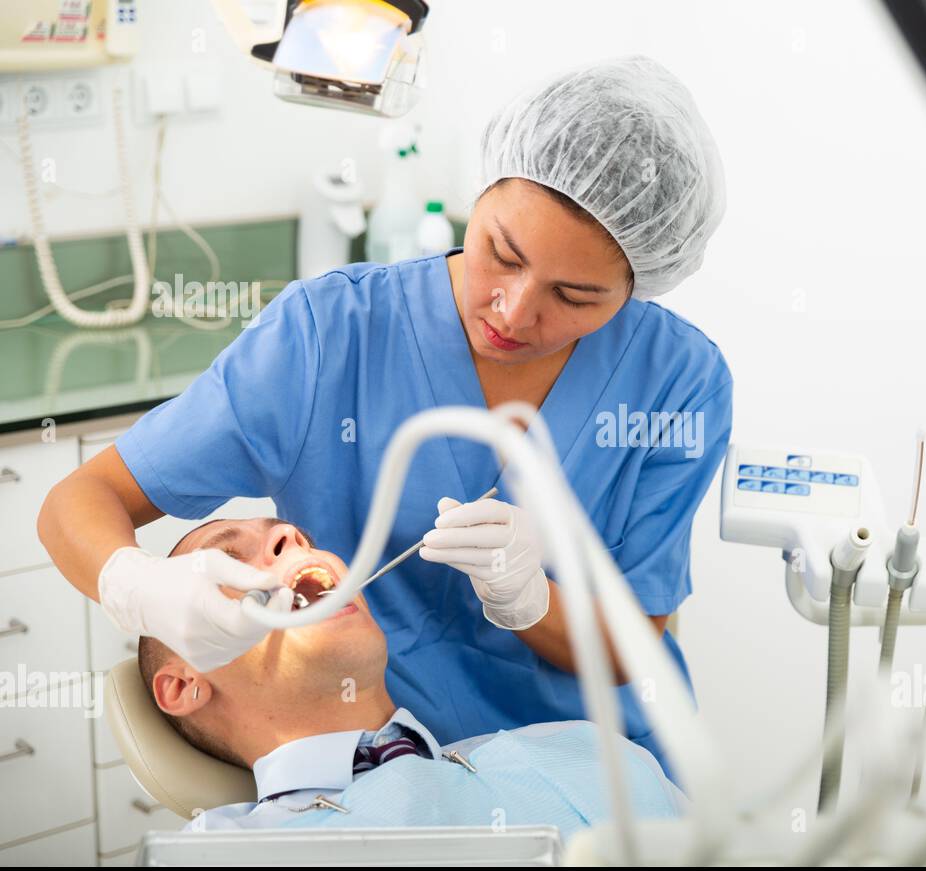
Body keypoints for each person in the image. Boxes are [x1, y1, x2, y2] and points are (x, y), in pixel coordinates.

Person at [39, 55, 731, 779]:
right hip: (398, 774)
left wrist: (529, 599)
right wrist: (138, 586)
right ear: (481, 191)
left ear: (638, 285)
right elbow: (77, 503)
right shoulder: (329, 336)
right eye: (502, 253)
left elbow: (632, 648)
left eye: (576, 296)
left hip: (609, 770)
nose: (514, 310)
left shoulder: (678, 382)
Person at [139, 516, 685, 836]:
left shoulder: (586, 751)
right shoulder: (218, 853)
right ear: (184, 685)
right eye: (227, 561)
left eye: (298, 536)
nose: (289, 536)